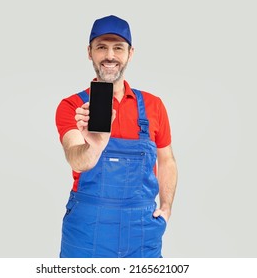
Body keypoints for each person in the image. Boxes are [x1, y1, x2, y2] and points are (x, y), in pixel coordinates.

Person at [55, 15, 178, 258]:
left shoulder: (154, 106)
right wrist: (95, 145)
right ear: (89, 52)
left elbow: (167, 160)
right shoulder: (73, 107)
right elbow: (77, 160)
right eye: (101, 47)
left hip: (142, 230)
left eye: (118, 48)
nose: (110, 55)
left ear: (130, 53)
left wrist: (166, 208)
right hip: (86, 231)